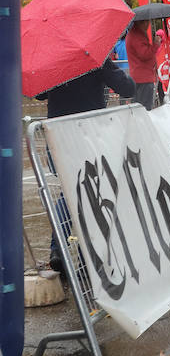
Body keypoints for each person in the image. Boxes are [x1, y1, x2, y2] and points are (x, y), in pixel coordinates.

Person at [36, 55, 136, 272]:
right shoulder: (92, 57)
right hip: (87, 136)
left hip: (58, 136)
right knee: (90, 195)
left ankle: (58, 248)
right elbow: (127, 88)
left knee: (68, 193)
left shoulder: (54, 58)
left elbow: (39, 93)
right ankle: (86, 257)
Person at [125, 19, 162, 111]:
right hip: (143, 79)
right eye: (147, 22)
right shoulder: (137, 36)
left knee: (139, 109)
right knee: (144, 110)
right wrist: (155, 45)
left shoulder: (134, 35)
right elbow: (144, 54)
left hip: (140, 77)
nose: (148, 25)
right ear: (141, 22)